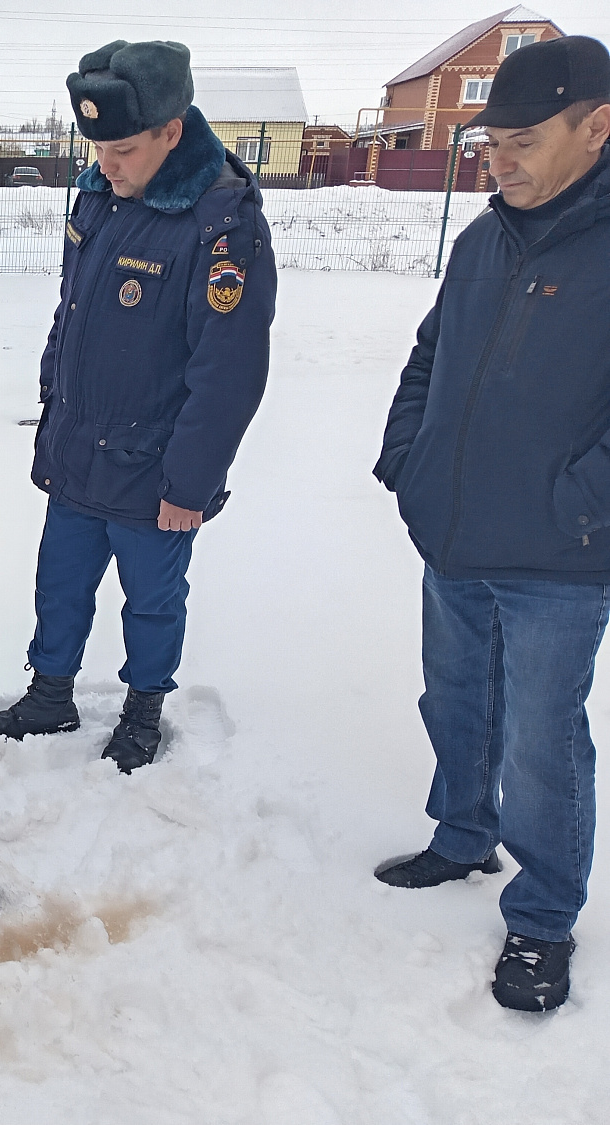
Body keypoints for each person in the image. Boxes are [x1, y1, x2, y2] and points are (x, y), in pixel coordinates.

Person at [373, 35, 610, 1013]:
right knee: (458, 702)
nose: (498, 161)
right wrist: (408, 458)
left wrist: (580, 503)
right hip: (457, 534)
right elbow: (431, 355)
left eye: (521, 141)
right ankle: (462, 837)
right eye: (489, 143)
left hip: (560, 556)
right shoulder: (482, 239)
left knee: (540, 739)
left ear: (597, 126)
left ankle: (544, 916)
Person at [0, 39, 275, 770]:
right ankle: (50, 693)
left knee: (152, 602)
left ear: (173, 131)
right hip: (78, 448)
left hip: (156, 468)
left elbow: (229, 372)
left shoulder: (221, 222)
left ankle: (143, 712)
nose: (108, 162)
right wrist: (52, 409)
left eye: (125, 148)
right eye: (98, 145)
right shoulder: (100, 194)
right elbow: (70, 313)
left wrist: (190, 484)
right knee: (60, 584)